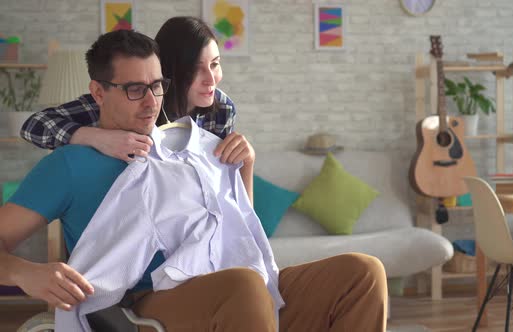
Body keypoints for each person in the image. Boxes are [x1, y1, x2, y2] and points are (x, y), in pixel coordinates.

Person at [0, 30, 388, 331]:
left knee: (362, 272)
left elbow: (241, 230)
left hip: (234, 286)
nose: (152, 102)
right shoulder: (71, 163)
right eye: (135, 89)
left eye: (157, 86)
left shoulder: (190, 148)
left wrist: (245, 167)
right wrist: (23, 271)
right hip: (140, 304)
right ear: (98, 93)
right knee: (243, 287)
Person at [20, 16, 255, 204]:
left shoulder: (222, 109)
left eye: (215, 64)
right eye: (195, 69)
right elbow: (34, 126)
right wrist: (97, 137)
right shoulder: (123, 100)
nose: (210, 80)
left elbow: (226, 192)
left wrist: (247, 160)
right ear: (169, 69)